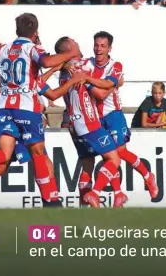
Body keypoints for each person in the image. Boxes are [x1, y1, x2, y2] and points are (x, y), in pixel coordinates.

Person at [0, 13, 81, 207]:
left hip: (4, 108)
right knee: (38, 154)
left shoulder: (3, 49)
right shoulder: (32, 50)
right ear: (35, 32)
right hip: (26, 107)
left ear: (16, 30)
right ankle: (50, 200)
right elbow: (46, 62)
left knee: (4, 154)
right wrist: (72, 53)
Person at [85, 31, 158, 205]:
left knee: (120, 152)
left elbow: (103, 92)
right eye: (96, 45)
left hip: (113, 115)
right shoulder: (88, 64)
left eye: (103, 46)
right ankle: (118, 193)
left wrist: (88, 80)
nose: (98, 49)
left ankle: (148, 176)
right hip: (96, 117)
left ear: (110, 48)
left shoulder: (115, 65)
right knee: (109, 158)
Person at [54, 36, 124, 208]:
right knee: (114, 159)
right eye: (75, 43)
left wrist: (64, 63)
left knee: (87, 165)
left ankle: (86, 211)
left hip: (73, 124)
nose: (80, 44)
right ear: (70, 48)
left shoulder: (65, 70)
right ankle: (95, 193)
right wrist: (115, 83)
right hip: (88, 122)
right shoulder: (81, 67)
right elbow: (101, 93)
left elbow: (56, 62)